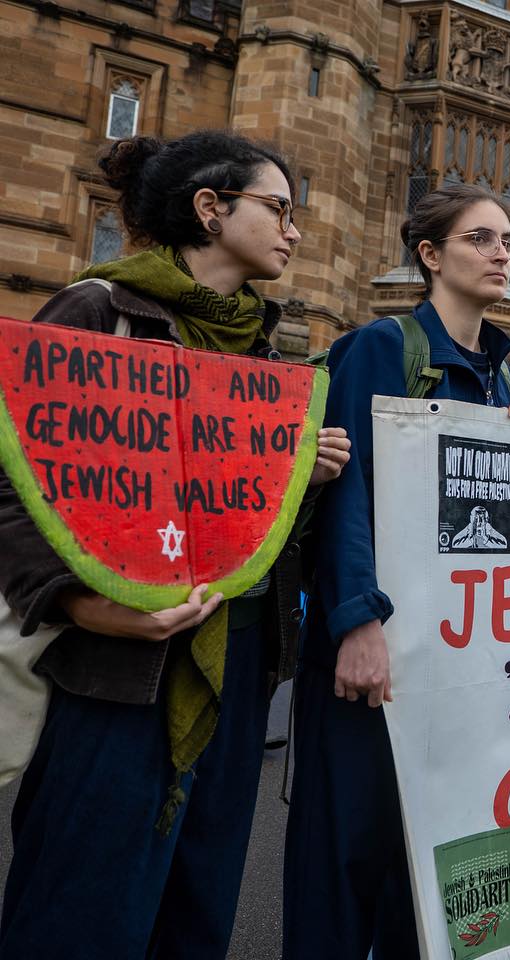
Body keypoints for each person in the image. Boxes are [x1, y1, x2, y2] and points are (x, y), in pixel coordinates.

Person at [0, 131, 350, 959]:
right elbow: (11, 489)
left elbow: (238, 530)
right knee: (82, 918)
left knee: (195, 917)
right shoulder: (98, 312)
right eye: (279, 210)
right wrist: (88, 606)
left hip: (236, 670)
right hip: (115, 676)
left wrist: (302, 478)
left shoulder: (268, 359)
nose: (294, 232)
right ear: (210, 208)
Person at [282, 182, 510, 959]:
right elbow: (350, 492)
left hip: (461, 664)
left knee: (446, 860)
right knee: (347, 856)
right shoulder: (379, 348)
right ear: (430, 256)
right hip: (376, 654)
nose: (503, 254)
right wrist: (357, 622)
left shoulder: (504, 379)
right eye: (481, 239)